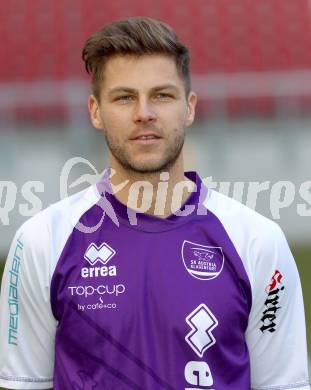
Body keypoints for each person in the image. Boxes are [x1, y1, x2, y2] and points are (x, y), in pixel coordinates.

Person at [0, 16, 310, 390]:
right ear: (96, 111)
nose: (144, 112)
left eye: (162, 95)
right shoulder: (40, 241)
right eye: (124, 97)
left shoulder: (258, 242)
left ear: (190, 107)